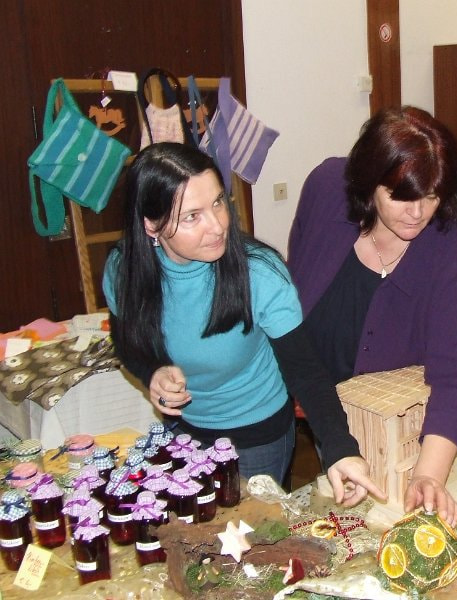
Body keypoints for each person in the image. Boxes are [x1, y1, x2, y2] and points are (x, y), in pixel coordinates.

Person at [102, 142, 385, 508]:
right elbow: (126, 341)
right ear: (151, 225)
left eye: (218, 202)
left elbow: (306, 371)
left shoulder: (259, 273)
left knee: (249, 535)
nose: (217, 225)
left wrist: (340, 448)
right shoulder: (124, 270)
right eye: (192, 216)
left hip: (255, 437)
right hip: (181, 430)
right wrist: (151, 371)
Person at [288, 106, 457, 527]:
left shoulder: (449, 250)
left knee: (373, 514)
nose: (418, 213)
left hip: (382, 421)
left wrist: (428, 475)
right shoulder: (326, 188)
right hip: (313, 394)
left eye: (431, 196)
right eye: (401, 196)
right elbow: (295, 286)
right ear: (369, 182)